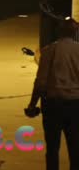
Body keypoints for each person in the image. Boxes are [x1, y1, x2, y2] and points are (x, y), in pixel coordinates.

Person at [25, 18, 79, 170]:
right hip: (75, 104)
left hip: (53, 105)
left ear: (57, 32)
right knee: (75, 148)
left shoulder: (49, 51)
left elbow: (40, 82)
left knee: (52, 148)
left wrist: (32, 104)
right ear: (75, 32)